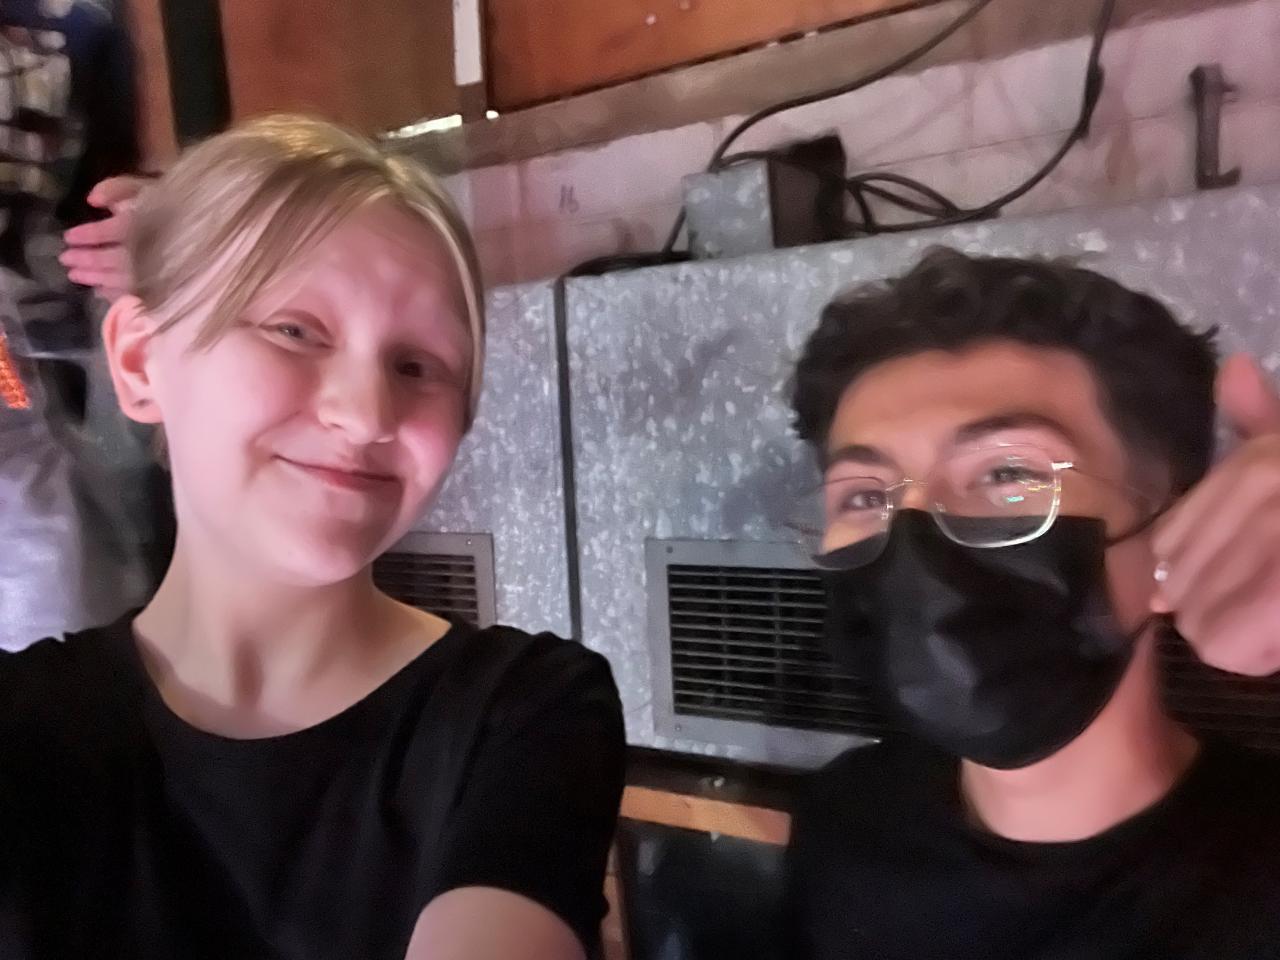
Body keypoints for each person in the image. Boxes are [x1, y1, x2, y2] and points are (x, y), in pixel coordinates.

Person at [0, 115, 626, 960]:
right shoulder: (23, 729)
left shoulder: (522, 714)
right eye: (294, 330)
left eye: (418, 367)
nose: (366, 416)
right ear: (142, 361)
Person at [784, 249, 1280, 959]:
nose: (913, 537)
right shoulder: (848, 819)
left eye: (1007, 473)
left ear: (1175, 524)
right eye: (864, 495)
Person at [0, 0, 154, 648]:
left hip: (46, 388)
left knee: (65, 613)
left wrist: (159, 231)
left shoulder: (81, 24)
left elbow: (112, 194)